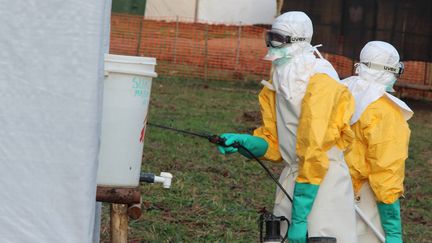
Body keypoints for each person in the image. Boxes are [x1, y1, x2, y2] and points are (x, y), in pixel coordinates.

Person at [216, 11, 357, 243]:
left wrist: (300, 217)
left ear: (297, 41)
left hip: (323, 183)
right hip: (295, 177)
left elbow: (315, 150)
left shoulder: (321, 80)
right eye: (269, 37)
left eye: (277, 38)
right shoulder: (280, 78)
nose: (270, 45)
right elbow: (275, 141)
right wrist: (248, 144)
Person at [343, 41, 413, 243]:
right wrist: (392, 228)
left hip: (332, 188)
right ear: (391, 71)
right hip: (364, 199)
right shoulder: (386, 112)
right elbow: (386, 170)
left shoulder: (341, 92)